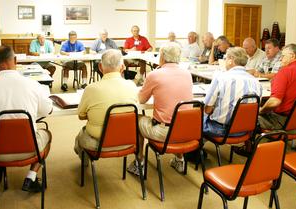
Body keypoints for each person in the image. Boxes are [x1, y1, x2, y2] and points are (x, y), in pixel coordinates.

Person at [0, 45, 53, 193]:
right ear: (15, 60)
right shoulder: (33, 84)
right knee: (47, 134)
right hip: (29, 148)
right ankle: (30, 178)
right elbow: (47, 110)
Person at [127, 43, 193, 175]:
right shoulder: (187, 74)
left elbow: (141, 100)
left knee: (136, 119)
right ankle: (179, 160)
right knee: (178, 118)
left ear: (161, 56)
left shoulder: (155, 75)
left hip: (164, 132)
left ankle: (139, 163)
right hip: (186, 130)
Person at [74, 49, 138, 158]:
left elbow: (81, 115)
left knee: (80, 136)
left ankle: (85, 161)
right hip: (127, 141)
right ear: (122, 67)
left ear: (100, 67)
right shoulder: (132, 85)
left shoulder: (91, 89)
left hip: (98, 144)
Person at [203, 47, 262, 137]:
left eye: (225, 58)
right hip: (246, 130)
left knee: (195, 121)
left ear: (231, 60)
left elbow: (207, 109)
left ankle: (197, 150)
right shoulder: (256, 82)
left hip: (221, 130)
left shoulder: (221, 78)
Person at [259, 44, 296, 134]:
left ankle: (249, 147)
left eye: (283, 56)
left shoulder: (285, 72)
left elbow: (275, 102)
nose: (280, 59)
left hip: (284, 122)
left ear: (292, 56)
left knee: (250, 117)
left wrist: (261, 111)